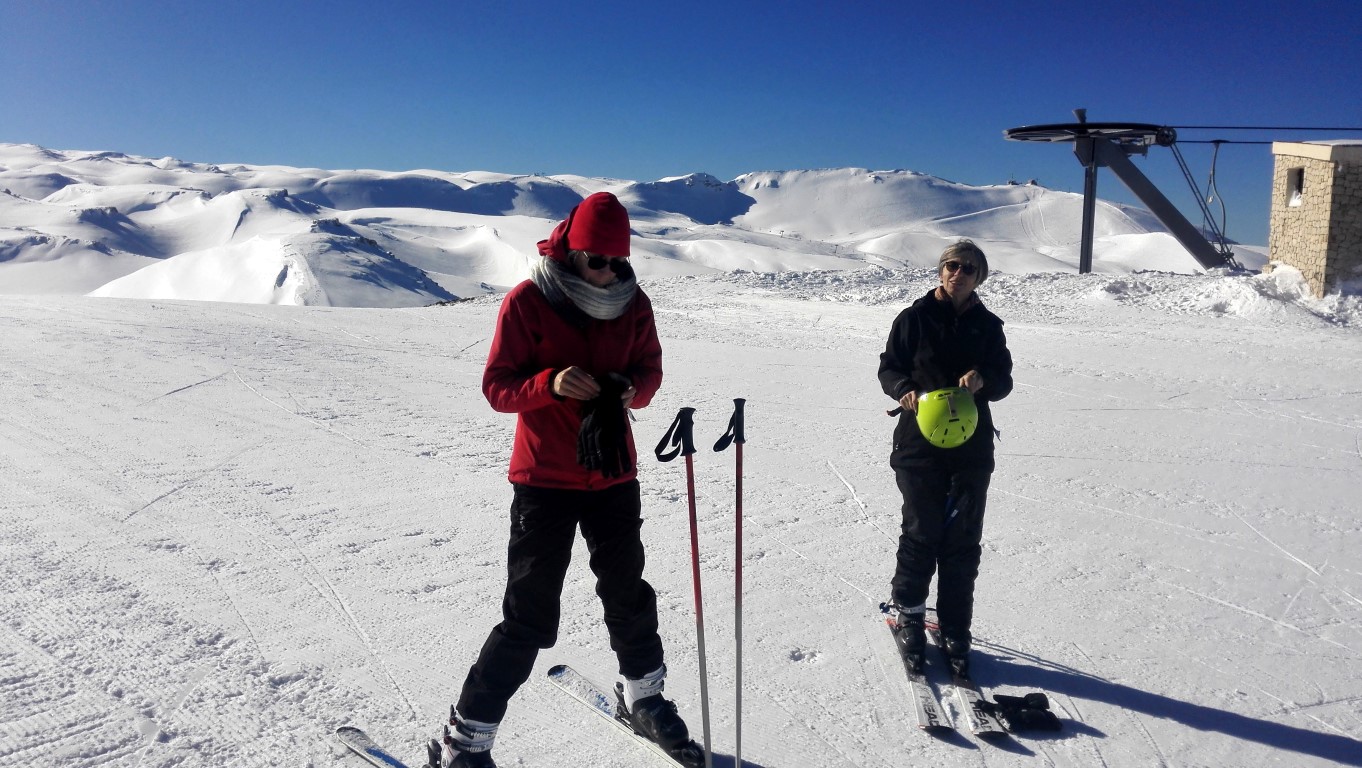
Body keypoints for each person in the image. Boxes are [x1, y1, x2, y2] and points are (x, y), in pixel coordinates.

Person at [430, 192, 703, 768]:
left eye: (617, 261)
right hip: (544, 478)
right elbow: (497, 387)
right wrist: (550, 383)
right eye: (595, 259)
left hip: (612, 472)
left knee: (627, 593)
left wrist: (633, 389)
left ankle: (645, 699)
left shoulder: (633, 302)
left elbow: (650, 371)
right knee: (529, 615)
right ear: (572, 250)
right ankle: (465, 738)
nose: (606, 272)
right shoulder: (530, 300)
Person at [877, 239, 1013, 676]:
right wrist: (903, 389)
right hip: (918, 445)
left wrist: (984, 379)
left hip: (971, 448)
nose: (959, 273)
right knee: (921, 532)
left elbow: (1004, 379)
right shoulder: (913, 318)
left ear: (979, 277)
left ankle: (955, 625)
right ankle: (910, 614)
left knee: (963, 541)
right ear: (941, 270)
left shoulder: (988, 326)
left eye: (969, 268)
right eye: (953, 265)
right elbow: (889, 367)